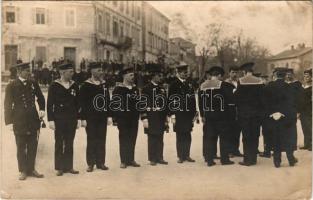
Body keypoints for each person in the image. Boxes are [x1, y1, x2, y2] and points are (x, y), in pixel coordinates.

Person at [4, 62, 45, 180]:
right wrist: (9, 122)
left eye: (29, 70)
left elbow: (41, 98)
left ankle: (31, 169)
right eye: (26, 70)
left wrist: (42, 109)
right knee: (21, 146)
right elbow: (7, 105)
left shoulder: (33, 83)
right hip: (19, 119)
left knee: (33, 144)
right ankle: (22, 170)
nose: (29, 72)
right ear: (19, 72)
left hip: (33, 118)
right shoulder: (11, 85)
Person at [47, 62, 81, 176]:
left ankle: (69, 166)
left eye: (73, 71)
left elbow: (78, 104)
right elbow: (49, 104)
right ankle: (59, 167)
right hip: (59, 119)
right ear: (62, 72)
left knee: (69, 142)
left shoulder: (74, 85)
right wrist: (51, 120)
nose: (73, 73)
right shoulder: (54, 85)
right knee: (59, 142)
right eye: (70, 72)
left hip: (71, 119)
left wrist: (79, 118)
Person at [198, 66, 235, 166]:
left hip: (208, 115)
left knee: (209, 137)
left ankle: (209, 159)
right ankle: (225, 159)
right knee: (224, 137)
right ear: (219, 75)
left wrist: (202, 115)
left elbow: (200, 102)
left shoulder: (203, 85)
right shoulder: (224, 85)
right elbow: (229, 101)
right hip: (222, 116)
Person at [80, 62, 112, 172]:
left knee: (102, 139)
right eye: (99, 70)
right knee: (91, 139)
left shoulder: (104, 84)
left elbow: (108, 100)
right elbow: (82, 103)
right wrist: (83, 118)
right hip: (91, 118)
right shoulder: (86, 85)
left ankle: (101, 162)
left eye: (101, 70)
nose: (101, 72)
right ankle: (91, 163)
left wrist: (109, 115)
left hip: (102, 116)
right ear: (92, 71)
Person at [263, 68, 298, 167]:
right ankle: (291, 159)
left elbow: (265, 102)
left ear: (275, 76)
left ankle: (277, 161)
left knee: (276, 138)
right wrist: (285, 113)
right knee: (287, 138)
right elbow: (291, 103)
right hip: (286, 117)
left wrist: (272, 113)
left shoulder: (268, 87)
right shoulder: (290, 87)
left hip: (272, 117)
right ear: (284, 76)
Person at [235, 62, 264, 166]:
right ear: (252, 71)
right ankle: (254, 159)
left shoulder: (241, 81)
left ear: (244, 71)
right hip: (257, 114)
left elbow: (237, 98)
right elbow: (262, 99)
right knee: (255, 135)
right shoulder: (260, 81)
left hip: (245, 114)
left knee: (246, 136)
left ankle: (247, 159)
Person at [112, 65, 141, 169]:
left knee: (133, 138)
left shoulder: (135, 89)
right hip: (123, 119)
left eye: (133, 75)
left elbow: (138, 103)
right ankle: (123, 160)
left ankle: (131, 159)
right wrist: (116, 119)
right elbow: (115, 105)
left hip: (134, 119)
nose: (133, 77)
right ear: (124, 76)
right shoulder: (118, 89)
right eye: (131, 75)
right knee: (124, 138)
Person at [168, 62, 197, 163]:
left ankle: (187, 155)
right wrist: (172, 114)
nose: (186, 74)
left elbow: (192, 99)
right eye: (184, 72)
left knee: (188, 134)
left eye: (186, 72)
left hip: (188, 113)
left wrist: (194, 113)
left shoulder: (189, 84)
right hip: (179, 113)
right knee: (180, 135)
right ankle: (180, 156)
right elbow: (171, 100)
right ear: (179, 73)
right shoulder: (173, 85)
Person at [141, 64, 169, 166]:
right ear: (153, 76)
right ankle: (152, 158)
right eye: (159, 76)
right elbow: (143, 103)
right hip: (151, 116)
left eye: (161, 76)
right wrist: (144, 118)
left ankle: (160, 157)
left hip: (161, 116)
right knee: (152, 138)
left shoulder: (162, 88)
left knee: (160, 137)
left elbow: (165, 104)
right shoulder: (146, 88)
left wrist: (166, 117)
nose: (161, 77)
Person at [224, 66, 243, 157]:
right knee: (229, 130)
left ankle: (236, 149)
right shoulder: (225, 83)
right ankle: (229, 150)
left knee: (237, 130)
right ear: (229, 73)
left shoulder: (240, 82)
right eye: (233, 72)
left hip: (239, 109)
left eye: (236, 72)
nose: (235, 74)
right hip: (229, 109)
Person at [299, 69, 312, 151]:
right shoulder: (303, 86)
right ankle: (306, 144)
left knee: (310, 127)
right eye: (305, 76)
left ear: (311, 77)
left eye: (308, 76)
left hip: (310, 109)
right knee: (304, 127)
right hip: (303, 110)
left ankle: (311, 144)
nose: (306, 77)